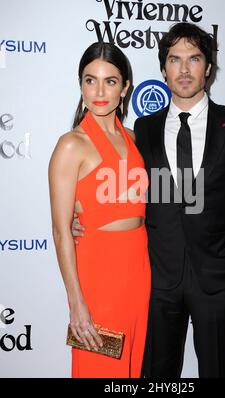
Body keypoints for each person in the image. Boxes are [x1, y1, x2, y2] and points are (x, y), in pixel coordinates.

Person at [73, 22, 225, 378]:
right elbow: (114, 183)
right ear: (163, 69)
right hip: (157, 280)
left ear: (208, 67)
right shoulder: (143, 130)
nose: (184, 69)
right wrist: (76, 214)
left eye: (194, 59)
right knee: (157, 376)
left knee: (218, 371)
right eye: (175, 59)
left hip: (217, 278)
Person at [49, 42, 151, 378]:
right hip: (98, 272)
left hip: (139, 269)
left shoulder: (136, 140)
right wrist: (76, 302)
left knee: (132, 369)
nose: (99, 91)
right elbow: (62, 230)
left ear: (125, 88)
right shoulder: (71, 144)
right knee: (99, 367)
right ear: (80, 85)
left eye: (110, 81)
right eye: (90, 80)